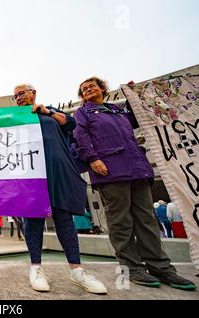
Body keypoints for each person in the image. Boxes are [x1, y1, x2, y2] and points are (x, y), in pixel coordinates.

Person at [73, 76, 196, 291]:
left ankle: (160, 266)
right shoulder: (83, 112)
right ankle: (131, 267)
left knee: (147, 219)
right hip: (110, 170)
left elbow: (139, 118)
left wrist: (133, 97)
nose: (88, 89)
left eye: (92, 85)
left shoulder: (117, 111)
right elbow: (80, 135)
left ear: (103, 88)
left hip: (137, 168)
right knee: (121, 220)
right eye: (84, 89)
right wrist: (92, 158)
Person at [13, 84, 107, 294]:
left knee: (64, 218)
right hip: (30, 175)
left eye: (21, 93)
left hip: (58, 171)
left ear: (33, 93)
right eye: (15, 96)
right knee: (33, 219)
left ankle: (77, 269)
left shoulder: (51, 111)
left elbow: (70, 123)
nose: (18, 98)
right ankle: (36, 267)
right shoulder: (11, 117)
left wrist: (46, 111)